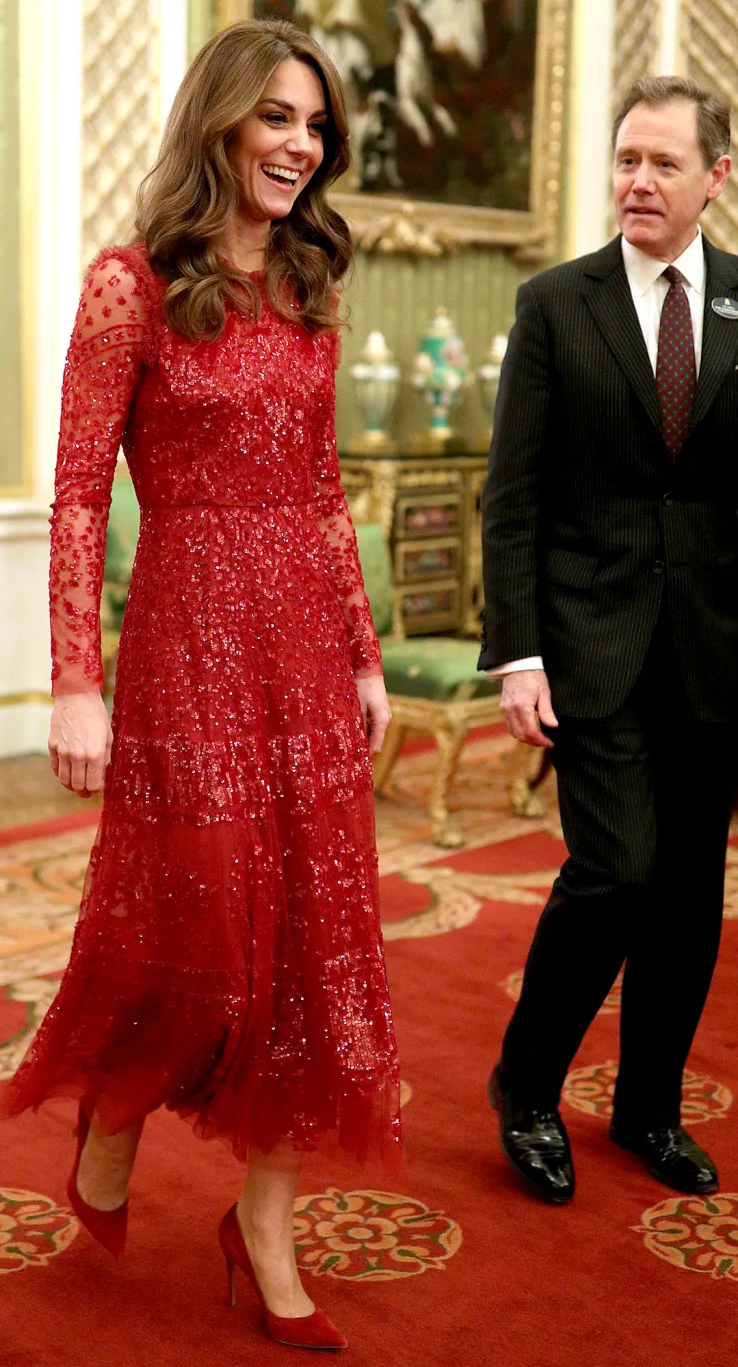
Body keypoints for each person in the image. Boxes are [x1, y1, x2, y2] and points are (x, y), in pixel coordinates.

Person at [1, 18, 401, 1352]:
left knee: (314, 943)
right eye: (277, 117)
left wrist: (360, 649)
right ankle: (111, 1113)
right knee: (191, 928)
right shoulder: (130, 283)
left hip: (301, 645)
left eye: (316, 125)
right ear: (222, 120)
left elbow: (325, 487)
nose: (301, 145)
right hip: (183, 642)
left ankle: (266, 1217)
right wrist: (74, 680)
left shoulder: (310, 281)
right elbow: (71, 494)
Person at [480, 75, 737, 1205]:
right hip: (591, 643)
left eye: (664, 163)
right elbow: (513, 496)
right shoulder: (556, 303)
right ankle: (527, 1088)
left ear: (716, 179)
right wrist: (518, 653)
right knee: (615, 870)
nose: (637, 180)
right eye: (626, 158)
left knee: (687, 895)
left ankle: (648, 1105)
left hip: (718, 656)